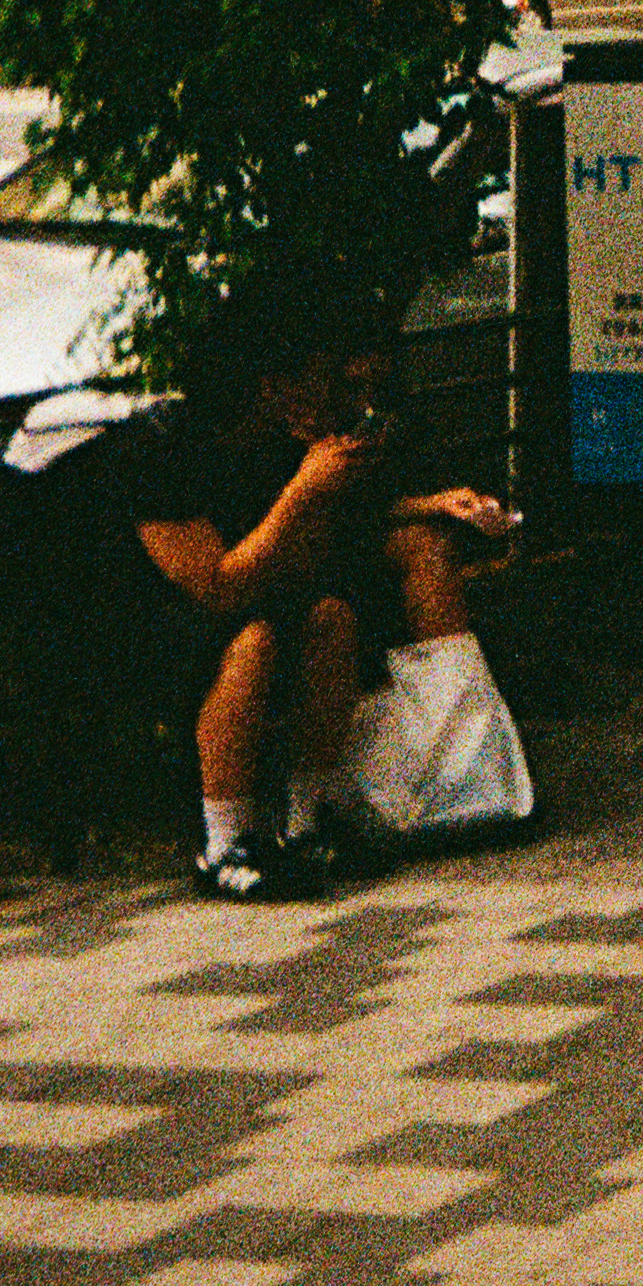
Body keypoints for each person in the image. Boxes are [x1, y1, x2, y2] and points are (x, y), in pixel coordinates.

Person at [116, 297, 507, 899]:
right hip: (152, 614)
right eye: (320, 378)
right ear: (273, 388)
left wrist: (426, 503)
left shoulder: (284, 438)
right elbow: (216, 588)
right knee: (256, 639)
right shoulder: (165, 448)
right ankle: (225, 839)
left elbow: (337, 532)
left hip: (259, 587)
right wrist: (303, 490)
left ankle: (311, 814)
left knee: (331, 617)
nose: (335, 392)